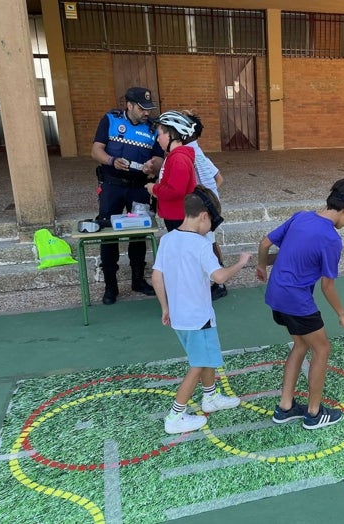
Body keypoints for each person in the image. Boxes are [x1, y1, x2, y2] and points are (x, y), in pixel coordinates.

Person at [255, 178, 344, 430]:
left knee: (300, 344)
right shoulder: (331, 239)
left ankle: (285, 407)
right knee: (322, 349)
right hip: (296, 301)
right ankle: (314, 413)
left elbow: (265, 243)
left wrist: (261, 266)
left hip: (276, 296)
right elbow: (327, 286)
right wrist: (342, 313)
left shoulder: (301, 217)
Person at [151, 186, 252, 434]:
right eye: (212, 224)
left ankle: (210, 397)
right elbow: (218, 276)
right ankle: (175, 416)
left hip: (179, 317)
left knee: (204, 358)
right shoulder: (201, 244)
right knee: (197, 364)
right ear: (204, 217)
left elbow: (156, 276)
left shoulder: (167, 239)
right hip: (199, 318)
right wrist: (240, 263)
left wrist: (165, 307)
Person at [91, 86, 164, 305]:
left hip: (139, 186)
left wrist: (152, 166)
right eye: (142, 109)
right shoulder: (110, 120)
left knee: (138, 234)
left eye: (148, 109)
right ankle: (110, 286)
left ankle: (138, 280)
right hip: (112, 186)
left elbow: (159, 159)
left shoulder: (153, 128)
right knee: (108, 234)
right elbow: (96, 150)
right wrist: (112, 161)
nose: (146, 113)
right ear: (129, 105)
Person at [144, 110, 203, 232]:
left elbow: (176, 191)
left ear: (171, 135)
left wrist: (154, 188)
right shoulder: (174, 156)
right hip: (175, 215)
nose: (158, 139)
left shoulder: (178, 159)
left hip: (179, 217)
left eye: (159, 134)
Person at [187, 137, 229, 301]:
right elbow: (219, 178)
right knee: (209, 241)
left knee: (210, 243)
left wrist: (205, 199)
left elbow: (219, 179)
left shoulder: (198, 157)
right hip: (199, 210)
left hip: (203, 211)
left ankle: (219, 284)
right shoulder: (195, 155)